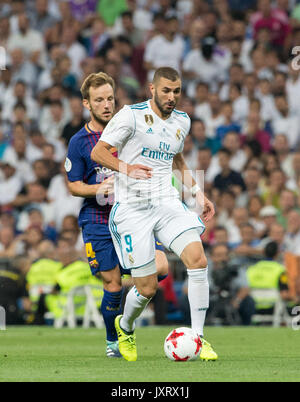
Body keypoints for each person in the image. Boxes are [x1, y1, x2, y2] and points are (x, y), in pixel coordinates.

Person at [91, 67, 217, 362]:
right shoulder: (130, 116)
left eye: (176, 91)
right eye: (166, 91)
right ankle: (125, 326)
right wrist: (127, 168)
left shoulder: (182, 121)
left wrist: (197, 192)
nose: (172, 97)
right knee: (146, 288)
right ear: (152, 89)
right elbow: (99, 152)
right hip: (132, 209)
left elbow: (177, 158)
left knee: (198, 260)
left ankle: (198, 339)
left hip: (166, 203)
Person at [65, 72, 168, 358]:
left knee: (161, 268)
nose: (106, 104)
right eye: (99, 100)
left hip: (134, 213)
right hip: (97, 219)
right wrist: (99, 188)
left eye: (110, 98)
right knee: (112, 284)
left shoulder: (130, 130)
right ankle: (114, 341)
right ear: (87, 103)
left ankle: (125, 319)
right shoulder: (79, 142)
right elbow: (73, 185)